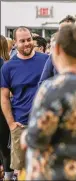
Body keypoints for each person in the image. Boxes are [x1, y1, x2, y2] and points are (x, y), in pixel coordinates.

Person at [21, 24, 76, 180]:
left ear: (58, 49)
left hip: (57, 174)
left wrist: (25, 136)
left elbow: (37, 138)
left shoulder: (54, 88)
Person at [0, 26, 48, 173]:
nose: (27, 43)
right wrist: (11, 124)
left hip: (45, 123)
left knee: (45, 168)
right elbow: (4, 97)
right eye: (22, 41)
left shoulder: (47, 60)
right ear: (15, 43)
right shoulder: (8, 67)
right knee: (22, 169)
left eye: (29, 39)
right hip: (21, 124)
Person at [0, 35, 14, 181]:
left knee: (4, 148)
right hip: (4, 110)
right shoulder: (7, 64)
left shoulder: (4, 65)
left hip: (3, 111)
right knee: (5, 148)